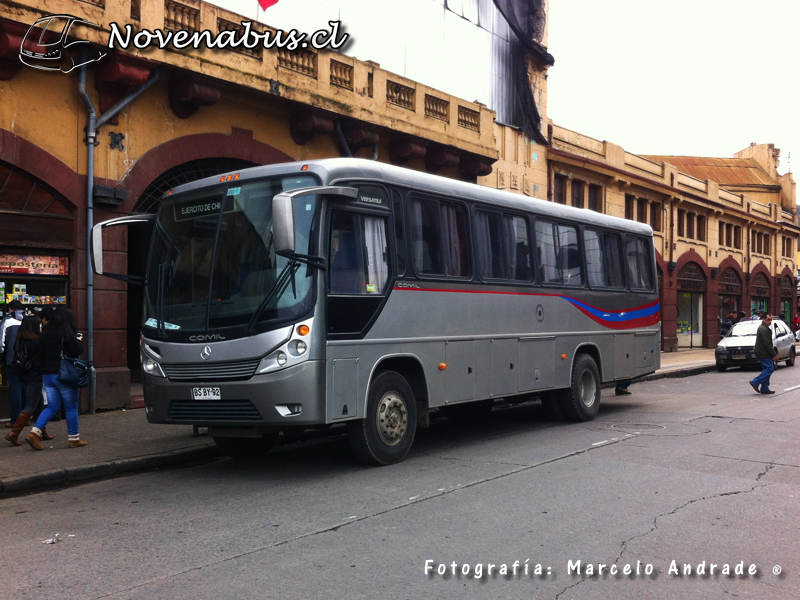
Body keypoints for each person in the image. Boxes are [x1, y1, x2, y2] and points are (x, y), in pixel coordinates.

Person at [26, 307, 86, 450]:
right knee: (71, 407)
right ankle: (73, 438)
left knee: (52, 406)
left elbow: (39, 355)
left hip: (48, 375)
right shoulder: (67, 333)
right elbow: (78, 350)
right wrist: (79, 340)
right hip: (64, 375)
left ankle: (35, 433)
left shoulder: (45, 333)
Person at [4, 316, 51, 446]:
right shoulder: (37, 342)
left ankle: (41, 431)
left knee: (39, 404)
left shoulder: (19, 341)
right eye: (39, 325)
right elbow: (41, 359)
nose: (41, 327)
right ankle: (14, 433)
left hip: (24, 376)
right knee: (31, 405)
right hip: (35, 377)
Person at [0, 300, 24, 428]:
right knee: (26, 389)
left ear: (10, 309)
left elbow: (1, 344)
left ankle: (16, 419)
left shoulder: (6, 321)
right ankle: (27, 417)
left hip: (12, 361)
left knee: (15, 389)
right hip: (27, 362)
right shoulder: (29, 320)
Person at [749, 313, 779, 395]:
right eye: (768, 319)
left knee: (767, 368)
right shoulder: (763, 329)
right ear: (763, 319)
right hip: (764, 352)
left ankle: (765, 388)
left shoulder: (764, 328)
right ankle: (755, 381)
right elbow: (767, 343)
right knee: (770, 368)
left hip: (763, 351)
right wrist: (774, 354)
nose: (770, 321)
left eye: (771, 319)